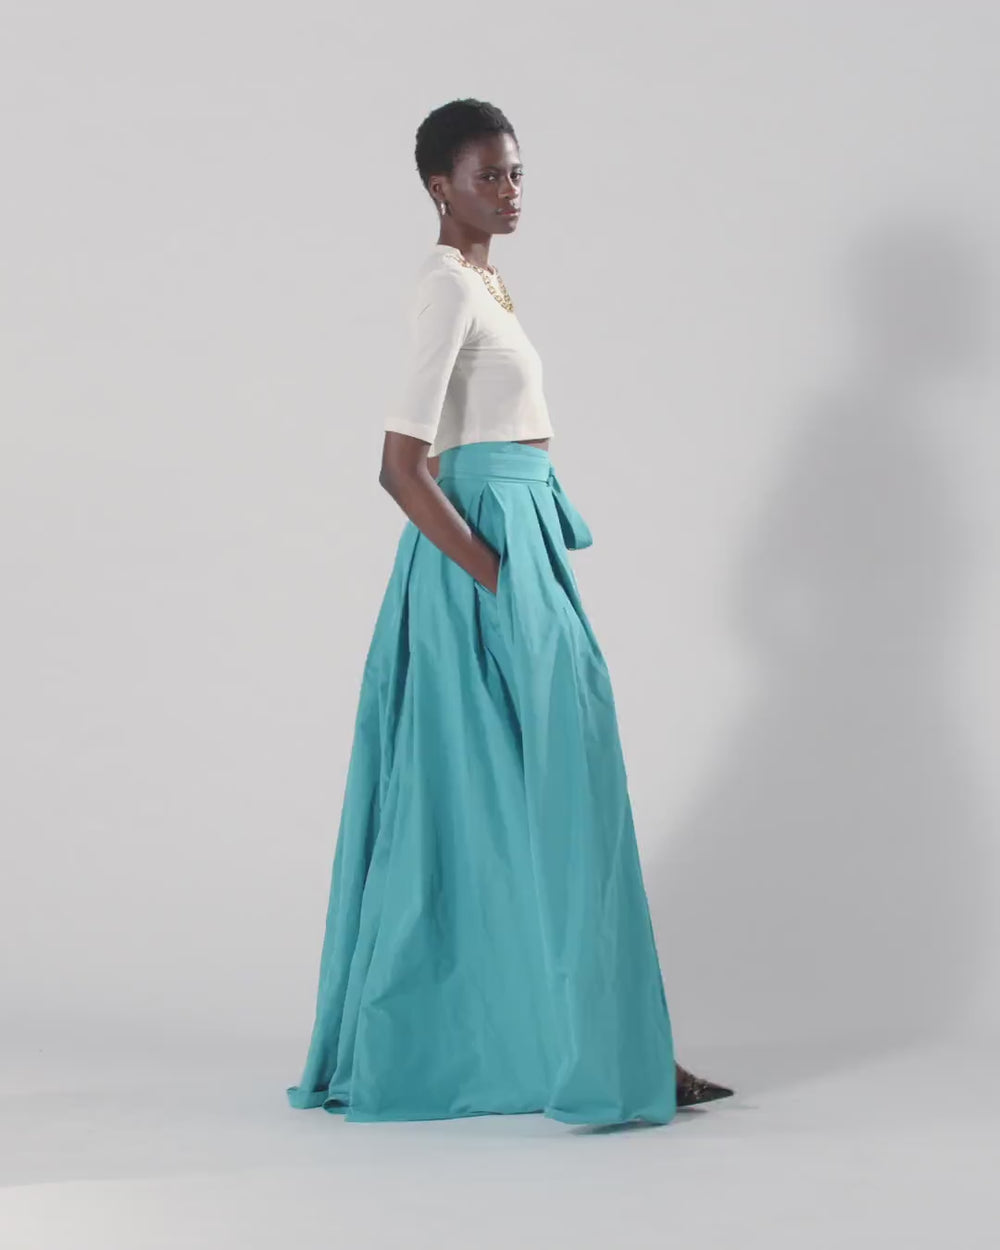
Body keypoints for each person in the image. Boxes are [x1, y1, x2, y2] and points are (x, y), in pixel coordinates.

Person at [286, 98, 733, 1124]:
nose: (510, 190)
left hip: (519, 539)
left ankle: (614, 1042)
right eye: (488, 175)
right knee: (515, 801)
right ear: (438, 187)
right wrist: (497, 578)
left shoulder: (485, 283)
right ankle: (583, 1049)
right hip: (483, 553)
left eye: (517, 172)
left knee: (555, 798)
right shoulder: (446, 288)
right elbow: (400, 467)